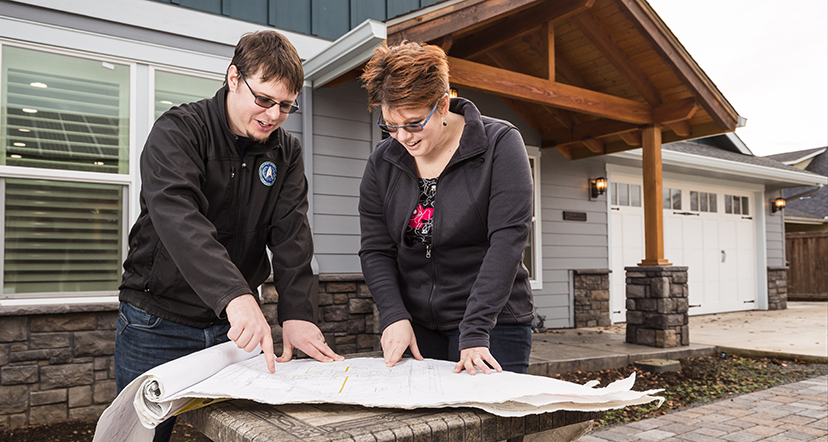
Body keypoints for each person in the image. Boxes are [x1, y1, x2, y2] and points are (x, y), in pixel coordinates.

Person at [115, 30, 342, 442]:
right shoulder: (179, 131)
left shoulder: (286, 153)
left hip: (231, 332)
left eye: (286, 106)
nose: (273, 115)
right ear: (234, 77)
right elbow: (178, 219)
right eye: (264, 100)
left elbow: (292, 234)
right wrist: (236, 296)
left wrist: (298, 315)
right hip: (157, 320)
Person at [358, 41, 535, 376]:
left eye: (412, 124)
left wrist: (475, 330)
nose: (401, 138)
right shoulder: (382, 163)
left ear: (441, 105)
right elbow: (376, 250)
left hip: (492, 323)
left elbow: (507, 241)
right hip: (417, 326)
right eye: (389, 125)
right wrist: (394, 315)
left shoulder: (499, 144)